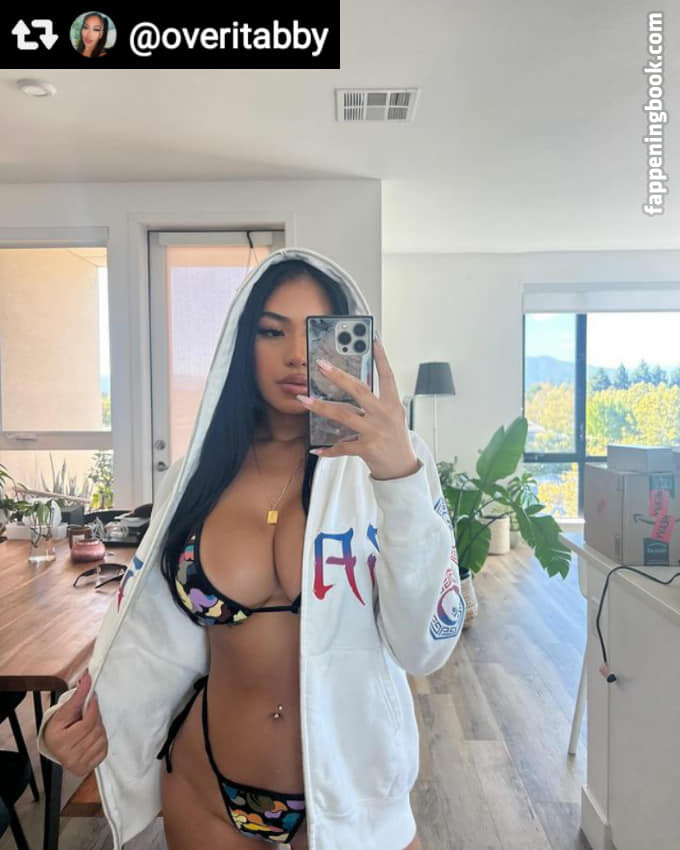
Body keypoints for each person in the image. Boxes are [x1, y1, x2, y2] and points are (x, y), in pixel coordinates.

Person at [37, 247, 466, 850]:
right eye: (271, 330)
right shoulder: (194, 479)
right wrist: (70, 721)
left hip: (353, 797)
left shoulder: (389, 468)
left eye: (317, 332)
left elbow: (426, 646)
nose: (296, 355)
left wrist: (398, 477)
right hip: (206, 789)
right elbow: (146, 635)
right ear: (242, 344)